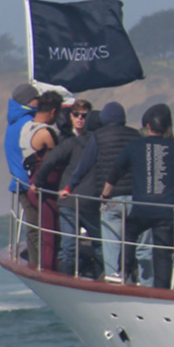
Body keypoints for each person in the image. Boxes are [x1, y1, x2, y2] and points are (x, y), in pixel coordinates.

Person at [104, 104, 174, 289]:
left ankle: (123, 272)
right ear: (167, 128)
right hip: (165, 212)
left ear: (148, 126)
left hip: (141, 210)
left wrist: (105, 194)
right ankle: (162, 289)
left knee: (129, 234)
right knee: (163, 252)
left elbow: (116, 171)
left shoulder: (134, 146)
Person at [64, 102, 140, 281]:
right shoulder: (136, 135)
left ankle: (114, 277)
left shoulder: (99, 136)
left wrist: (70, 186)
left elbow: (85, 165)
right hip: (135, 197)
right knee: (133, 240)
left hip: (111, 197)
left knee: (111, 239)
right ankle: (134, 278)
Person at [32, 99, 93, 274]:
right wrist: (38, 183)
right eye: (76, 114)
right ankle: (65, 278)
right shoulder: (64, 139)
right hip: (67, 196)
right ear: (70, 116)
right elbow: (51, 162)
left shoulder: (93, 138)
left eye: (84, 115)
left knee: (96, 242)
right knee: (68, 245)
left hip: (89, 196)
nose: (80, 118)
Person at [17, 91, 63, 267]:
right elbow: (57, 159)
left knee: (42, 232)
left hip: (31, 186)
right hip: (44, 190)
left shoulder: (26, 128)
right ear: (54, 111)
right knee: (50, 235)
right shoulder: (46, 133)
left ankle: (44, 267)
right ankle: (49, 270)